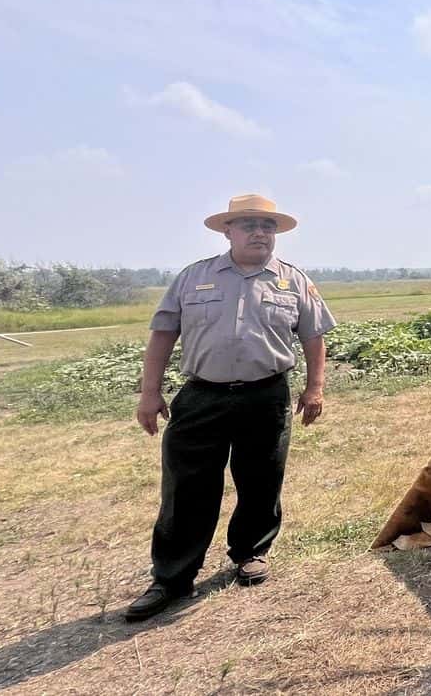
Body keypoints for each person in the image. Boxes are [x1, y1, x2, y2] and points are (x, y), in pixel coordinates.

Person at [125, 194, 335, 622]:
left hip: (267, 394)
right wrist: (149, 392)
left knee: (261, 478)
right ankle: (172, 577)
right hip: (203, 395)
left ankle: (251, 553)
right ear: (228, 232)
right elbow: (163, 334)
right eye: (249, 225)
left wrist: (315, 389)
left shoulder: (292, 281)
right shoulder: (194, 277)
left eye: (267, 226)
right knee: (186, 487)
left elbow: (314, 337)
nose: (260, 232)